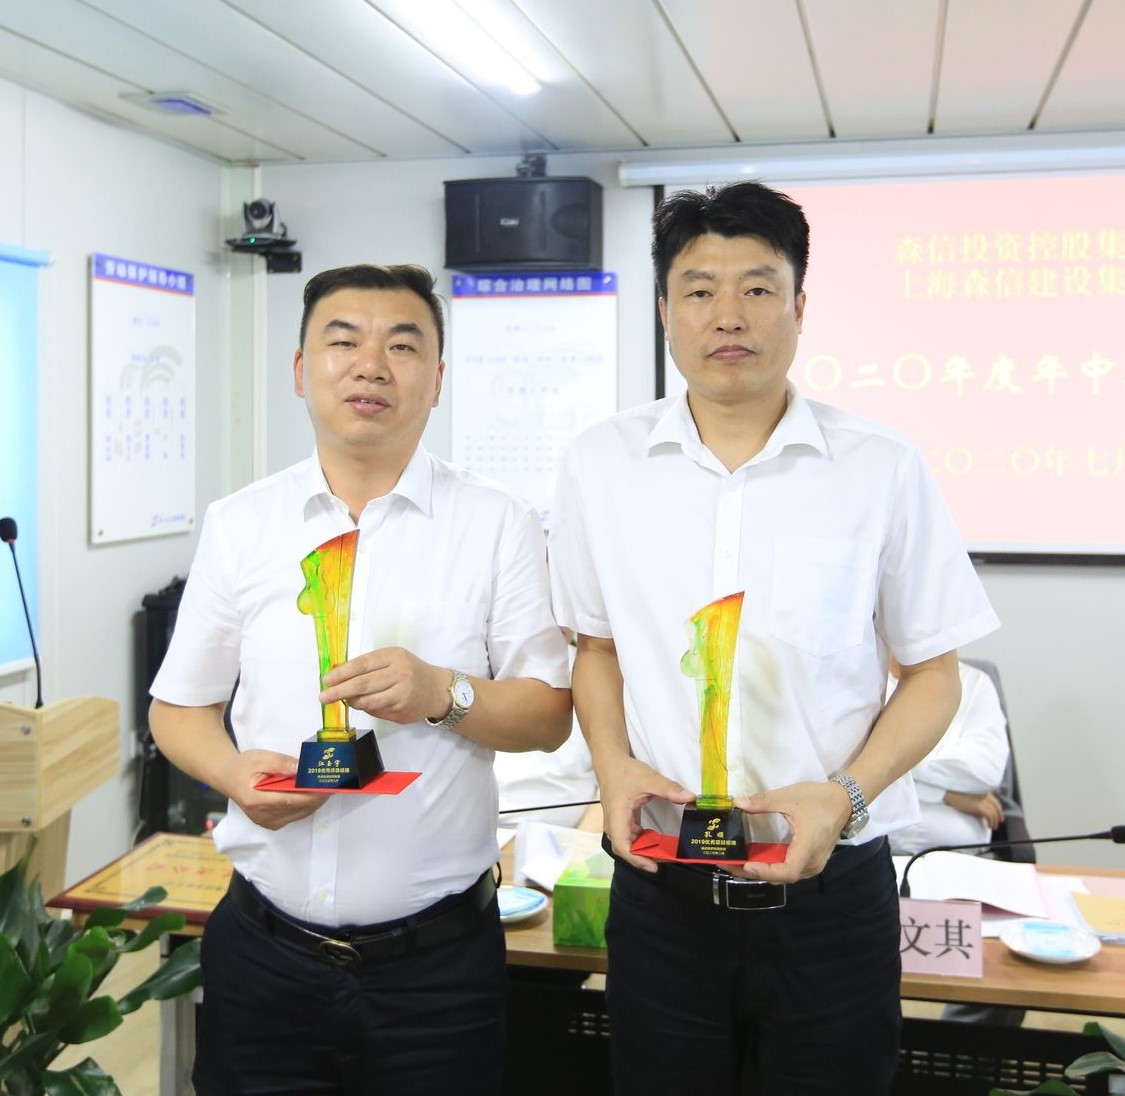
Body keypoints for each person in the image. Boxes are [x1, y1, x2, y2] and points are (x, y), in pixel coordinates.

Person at [548, 181, 1000, 1095]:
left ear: (798, 307)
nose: (729, 315)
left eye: (757, 288)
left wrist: (845, 795)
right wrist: (612, 767)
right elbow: (594, 651)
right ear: (664, 310)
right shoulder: (599, 464)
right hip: (664, 887)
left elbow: (933, 674)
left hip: (829, 893)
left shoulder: (880, 467)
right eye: (699, 289)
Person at [149, 263, 572, 1096]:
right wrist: (232, 772)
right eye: (343, 341)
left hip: (437, 973)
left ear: (437, 379)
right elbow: (178, 708)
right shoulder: (242, 525)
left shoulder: (497, 522)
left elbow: (547, 714)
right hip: (263, 957)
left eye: (401, 346)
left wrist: (444, 695)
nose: (371, 365)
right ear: (301, 370)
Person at [888, 658, 1011, 856]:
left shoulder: (976, 682)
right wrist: (945, 794)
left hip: (958, 858)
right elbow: (854, 778)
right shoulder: (863, 680)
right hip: (866, 848)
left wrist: (893, 763)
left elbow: (987, 771)